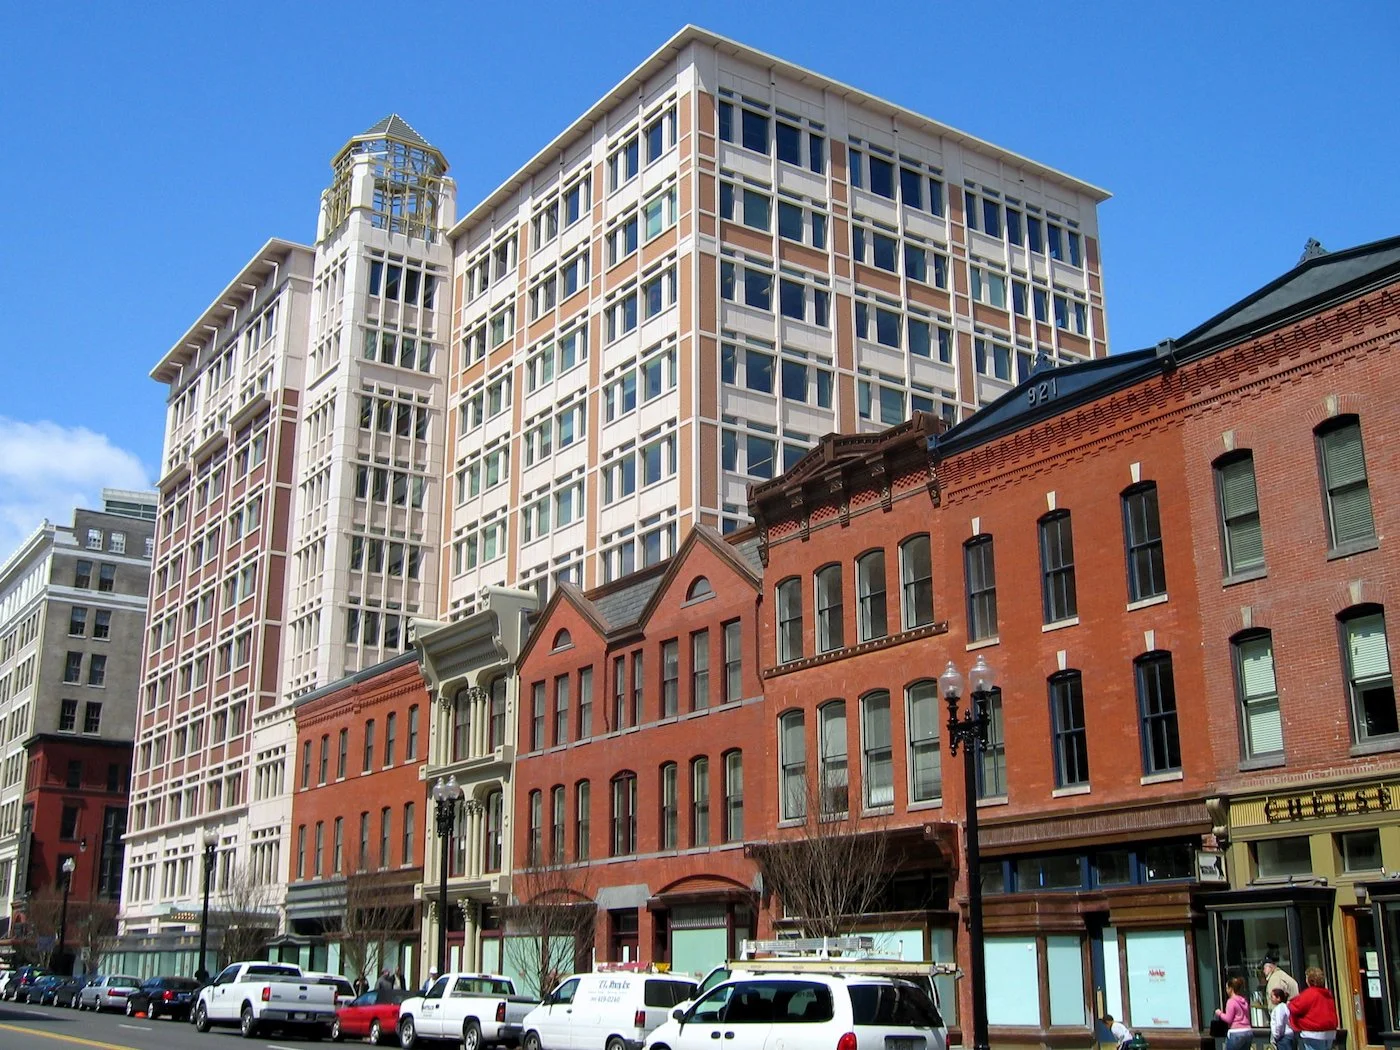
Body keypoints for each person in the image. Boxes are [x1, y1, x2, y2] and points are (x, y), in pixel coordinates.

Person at [1288, 967, 1339, 1050]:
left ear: (1309, 980)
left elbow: (1295, 1007)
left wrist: (1289, 1004)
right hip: (1329, 1032)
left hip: (1313, 1033)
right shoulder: (1327, 994)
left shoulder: (1310, 993)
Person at [1216, 976, 1253, 1050]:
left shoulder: (1231, 1001)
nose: (1226, 990)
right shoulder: (1244, 1000)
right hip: (1248, 1031)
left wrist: (1219, 1013)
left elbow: (1228, 1019)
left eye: (1227, 988)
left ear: (1231, 989)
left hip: (1236, 1032)